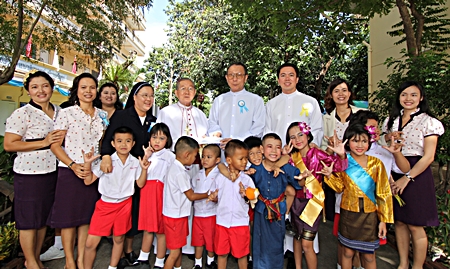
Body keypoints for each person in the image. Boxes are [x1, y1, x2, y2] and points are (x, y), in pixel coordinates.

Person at [4, 70, 63, 269]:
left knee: (42, 219)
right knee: (29, 220)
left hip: (53, 172)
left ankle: (36, 258)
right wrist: (43, 142)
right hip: (30, 175)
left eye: (45, 86)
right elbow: (10, 145)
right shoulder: (22, 113)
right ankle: (30, 261)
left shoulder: (60, 112)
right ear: (28, 90)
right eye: (35, 87)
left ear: (51, 88)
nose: (41, 91)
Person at [382, 81, 444, 269]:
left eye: (413, 95)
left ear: (421, 98)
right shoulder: (391, 120)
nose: (408, 99)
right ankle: (402, 263)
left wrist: (407, 178)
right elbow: (384, 142)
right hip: (394, 168)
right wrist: (389, 138)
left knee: (416, 225)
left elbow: (429, 156)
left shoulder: (429, 122)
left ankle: (417, 266)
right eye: (404, 95)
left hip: (417, 173)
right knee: (400, 222)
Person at [49, 73, 107, 269]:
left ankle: (82, 260)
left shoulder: (102, 115)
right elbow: (55, 146)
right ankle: (70, 262)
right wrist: (73, 165)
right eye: (83, 87)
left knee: (86, 219)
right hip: (70, 171)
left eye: (92, 87)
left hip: (93, 173)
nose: (88, 91)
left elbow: (101, 144)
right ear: (77, 90)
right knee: (68, 220)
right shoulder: (66, 112)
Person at [100, 82, 157, 267]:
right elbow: (108, 139)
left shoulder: (153, 119)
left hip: (143, 170)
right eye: (144, 95)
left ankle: (129, 250)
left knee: (135, 210)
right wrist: (106, 156)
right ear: (134, 97)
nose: (148, 99)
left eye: (151, 96)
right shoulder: (122, 115)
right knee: (122, 211)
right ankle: (120, 249)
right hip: (122, 171)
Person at [324, 124, 394, 269]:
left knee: (369, 255)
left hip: (370, 216)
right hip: (349, 214)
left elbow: (384, 193)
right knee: (347, 252)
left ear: (369, 142)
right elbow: (339, 188)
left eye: (364, 141)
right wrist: (329, 176)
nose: (360, 145)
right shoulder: (343, 162)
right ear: (348, 142)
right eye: (355, 141)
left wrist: (383, 221)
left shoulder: (376, 164)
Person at [82, 127, 149, 269]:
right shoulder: (106, 161)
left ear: (133, 143)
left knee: (119, 238)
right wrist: (87, 164)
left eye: (128, 141)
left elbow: (140, 184)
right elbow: (88, 181)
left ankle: (112, 267)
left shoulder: (136, 162)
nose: (123, 144)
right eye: (119, 141)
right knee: (90, 243)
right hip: (105, 205)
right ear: (113, 143)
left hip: (125, 204)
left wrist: (144, 169)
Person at [285, 122, 348, 269]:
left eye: (300, 134)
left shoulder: (318, 153)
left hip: (313, 202)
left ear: (307, 135)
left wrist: (341, 155)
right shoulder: (291, 157)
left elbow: (338, 166)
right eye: (292, 137)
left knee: (307, 244)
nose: (297, 139)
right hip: (295, 202)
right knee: (297, 237)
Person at [320, 78, 365, 269]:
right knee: (341, 218)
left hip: (358, 170)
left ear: (349, 93)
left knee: (360, 218)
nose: (341, 94)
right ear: (331, 95)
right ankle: (342, 263)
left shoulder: (360, 114)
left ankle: (358, 263)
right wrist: (330, 149)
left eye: (344, 90)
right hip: (336, 171)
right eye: (336, 90)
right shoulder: (326, 118)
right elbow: (324, 149)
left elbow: (368, 140)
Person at [250, 133, 303, 269]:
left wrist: (302, 178)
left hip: (278, 211)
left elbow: (300, 182)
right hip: (261, 211)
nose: (274, 151)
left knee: (276, 243)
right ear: (261, 149)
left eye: (278, 147)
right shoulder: (255, 168)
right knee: (259, 242)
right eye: (269, 147)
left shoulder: (286, 168)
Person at [162, 136, 209, 269]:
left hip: (175, 215)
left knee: (178, 247)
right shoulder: (179, 173)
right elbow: (191, 196)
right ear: (186, 154)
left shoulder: (175, 167)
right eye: (195, 156)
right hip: (175, 217)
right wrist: (208, 194)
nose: (196, 159)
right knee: (175, 251)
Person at [207, 140, 256, 269]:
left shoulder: (246, 179)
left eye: (246, 158)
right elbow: (214, 194)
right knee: (221, 254)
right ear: (229, 160)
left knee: (241, 255)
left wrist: (246, 194)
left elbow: (254, 197)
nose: (245, 161)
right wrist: (213, 197)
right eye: (241, 158)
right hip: (222, 222)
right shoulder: (220, 177)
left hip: (240, 223)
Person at [137, 123, 174, 269]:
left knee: (160, 230)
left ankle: (160, 261)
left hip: (161, 195)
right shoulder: (146, 154)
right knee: (147, 228)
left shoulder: (170, 156)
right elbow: (142, 177)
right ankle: (143, 258)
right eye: (154, 137)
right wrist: (146, 157)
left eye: (162, 138)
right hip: (147, 193)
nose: (157, 141)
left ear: (167, 140)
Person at [208, 62, 265, 148]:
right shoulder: (219, 100)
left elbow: (259, 127)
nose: (234, 79)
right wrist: (216, 133)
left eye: (239, 75)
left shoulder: (256, 100)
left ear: (245, 78)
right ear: (226, 78)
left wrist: (237, 140)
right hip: (222, 150)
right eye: (231, 75)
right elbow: (212, 122)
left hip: (245, 149)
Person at [265, 63, 323, 146]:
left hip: (304, 154)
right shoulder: (271, 104)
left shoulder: (311, 102)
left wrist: (311, 146)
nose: (287, 79)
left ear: (297, 79)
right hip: (279, 154)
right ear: (278, 80)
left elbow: (317, 128)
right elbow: (267, 130)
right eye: (283, 75)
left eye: (291, 75)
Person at [191, 144, 221, 269]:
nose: (205, 160)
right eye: (203, 157)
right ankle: (197, 263)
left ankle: (210, 260)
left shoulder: (219, 174)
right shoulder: (198, 174)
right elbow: (192, 190)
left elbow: (221, 193)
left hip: (211, 213)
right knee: (198, 240)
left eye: (209, 157)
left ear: (218, 160)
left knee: (210, 239)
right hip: (198, 213)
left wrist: (215, 199)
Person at [156, 78, 208, 148]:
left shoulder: (201, 114)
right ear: (176, 93)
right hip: (172, 155)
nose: (187, 92)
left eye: (190, 89)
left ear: (195, 92)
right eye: (183, 88)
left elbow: (206, 136)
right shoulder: (165, 112)